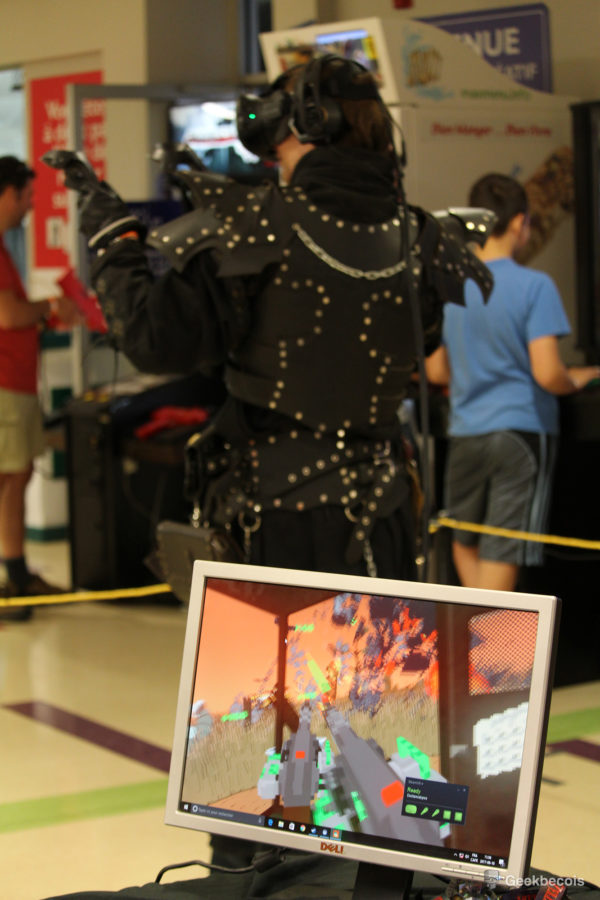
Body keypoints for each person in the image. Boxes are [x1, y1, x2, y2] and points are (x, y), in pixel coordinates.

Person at [45, 54, 493, 893]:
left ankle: (251, 879)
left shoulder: (256, 224)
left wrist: (110, 236)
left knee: (251, 756)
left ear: (306, 125)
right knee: (384, 738)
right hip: (383, 511)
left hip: (272, 518)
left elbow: (154, 337)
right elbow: (419, 343)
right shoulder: (419, 235)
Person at [426, 172, 600, 593]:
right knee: (504, 547)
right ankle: (489, 635)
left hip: (465, 432)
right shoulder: (535, 286)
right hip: (521, 432)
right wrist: (580, 377)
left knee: (463, 538)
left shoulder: (452, 287)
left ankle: (475, 630)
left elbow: (436, 372)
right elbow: (548, 373)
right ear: (520, 221)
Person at [0, 156, 81, 620]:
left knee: (18, 476)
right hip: (5, 385)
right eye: (27, 196)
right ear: (8, 193)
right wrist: (51, 307)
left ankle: (17, 573)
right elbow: (8, 314)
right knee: (10, 479)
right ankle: (13, 579)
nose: (30, 206)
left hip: (16, 381)